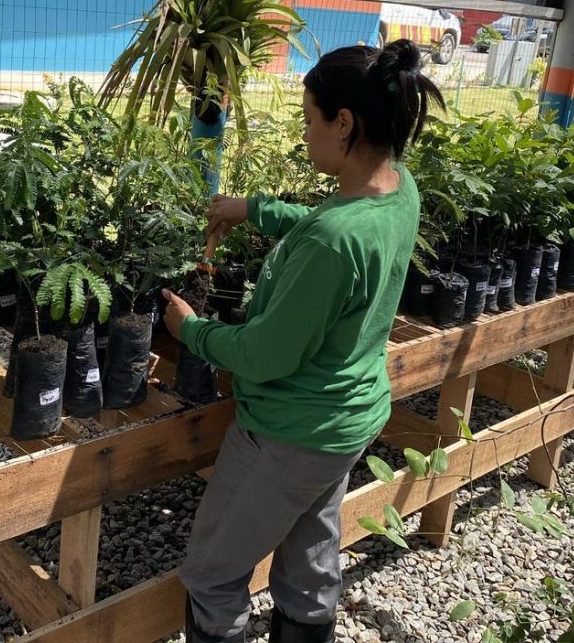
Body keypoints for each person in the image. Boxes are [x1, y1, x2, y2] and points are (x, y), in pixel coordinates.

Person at [162, 39, 446, 643]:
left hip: (289, 430)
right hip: (348, 416)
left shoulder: (333, 243)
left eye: (308, 120)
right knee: (309, 560)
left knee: (213, 575)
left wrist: (192, 330)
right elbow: (334, 230)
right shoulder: (398, 189)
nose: (304, 134)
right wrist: (258, 209)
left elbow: (265, 354)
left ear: (344, 123)